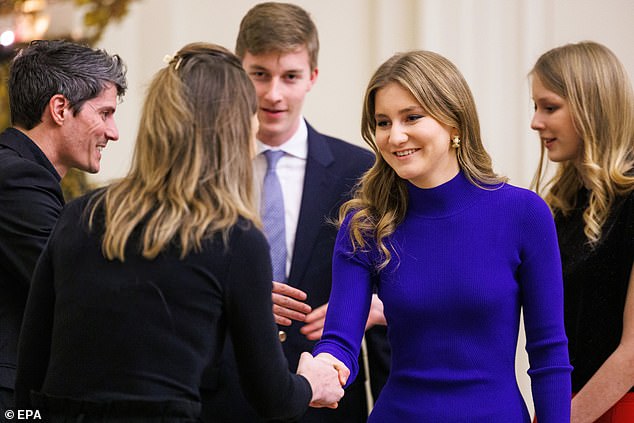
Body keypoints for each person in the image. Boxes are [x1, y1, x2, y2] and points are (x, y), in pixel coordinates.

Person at [14, 42, 345, 422]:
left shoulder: (78, 215)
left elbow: (31, 370)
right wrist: (311, 382)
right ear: (233, 131)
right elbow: (273, 397)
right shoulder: (234, 238)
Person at [312, 49, 573, 422]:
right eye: (382, 122)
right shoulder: (365, 223)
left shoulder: (523, 214)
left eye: (412, 117)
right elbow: (340, 341)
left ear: (455, 122)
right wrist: (326, 367)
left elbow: (549, 354)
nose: (395, 136)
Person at [199, 2, 390, 422]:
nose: (273, 94)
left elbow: (386, 280)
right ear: (238, 72)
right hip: (221, 394)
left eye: (290, 77)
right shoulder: (201, 171)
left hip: (327, 397)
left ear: (312, 78)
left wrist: (373, 310)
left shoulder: (360, 171)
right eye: (259, 74)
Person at [0, 39, 127, 415]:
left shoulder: (22, 175)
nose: (114, 131)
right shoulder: (15, 178)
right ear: (59, 108)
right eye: (104, 113)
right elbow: (78, 287)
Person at [529, 41, 634, 423]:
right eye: (535, 107)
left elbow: (632, 354)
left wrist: (567, 417)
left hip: (614, 406)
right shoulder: (563, 203)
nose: (536, 122)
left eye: (549, 107)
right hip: (565, 404)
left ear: (593, 106)